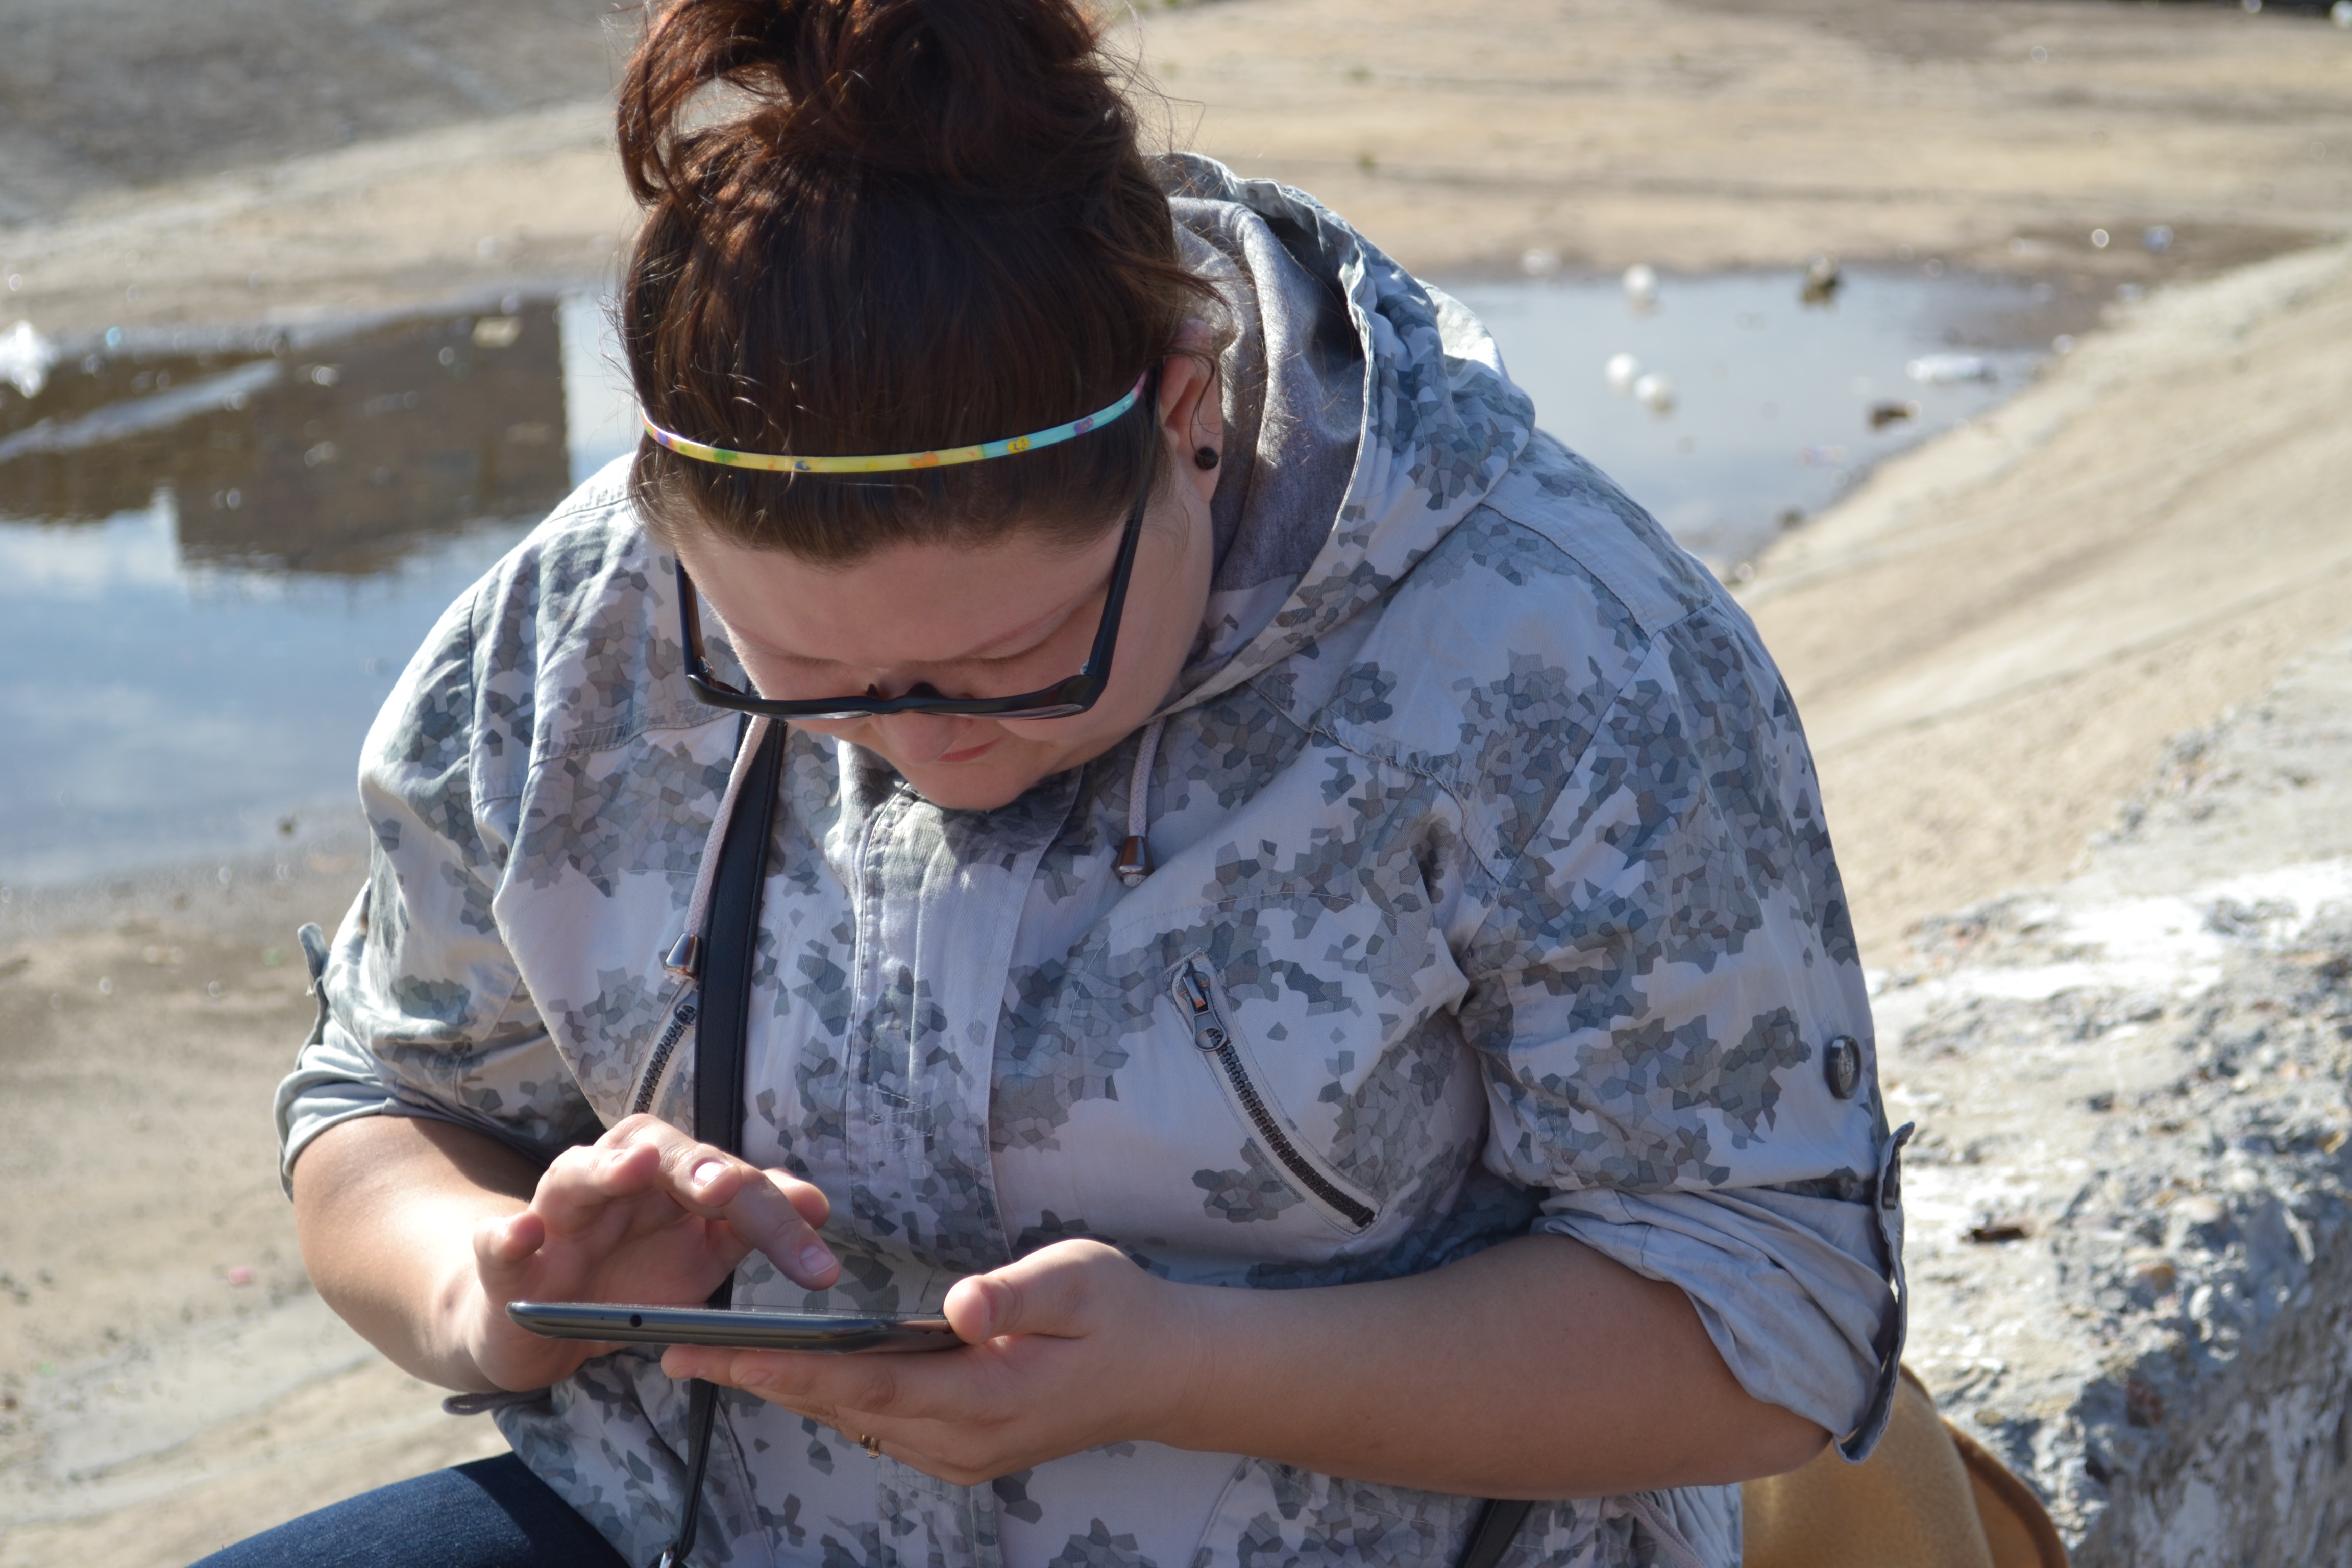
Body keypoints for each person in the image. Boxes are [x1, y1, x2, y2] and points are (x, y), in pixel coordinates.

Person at [218, 1, 1905, 1564]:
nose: (922, 744)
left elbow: (1776, 1314)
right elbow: (376, 1100)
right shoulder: (585, 617)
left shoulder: (1554, 650)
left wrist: (1186, 1369)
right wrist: (497, 1290)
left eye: (1018, 658)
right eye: (799, 677)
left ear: (1186, 413)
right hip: (683, 1517)